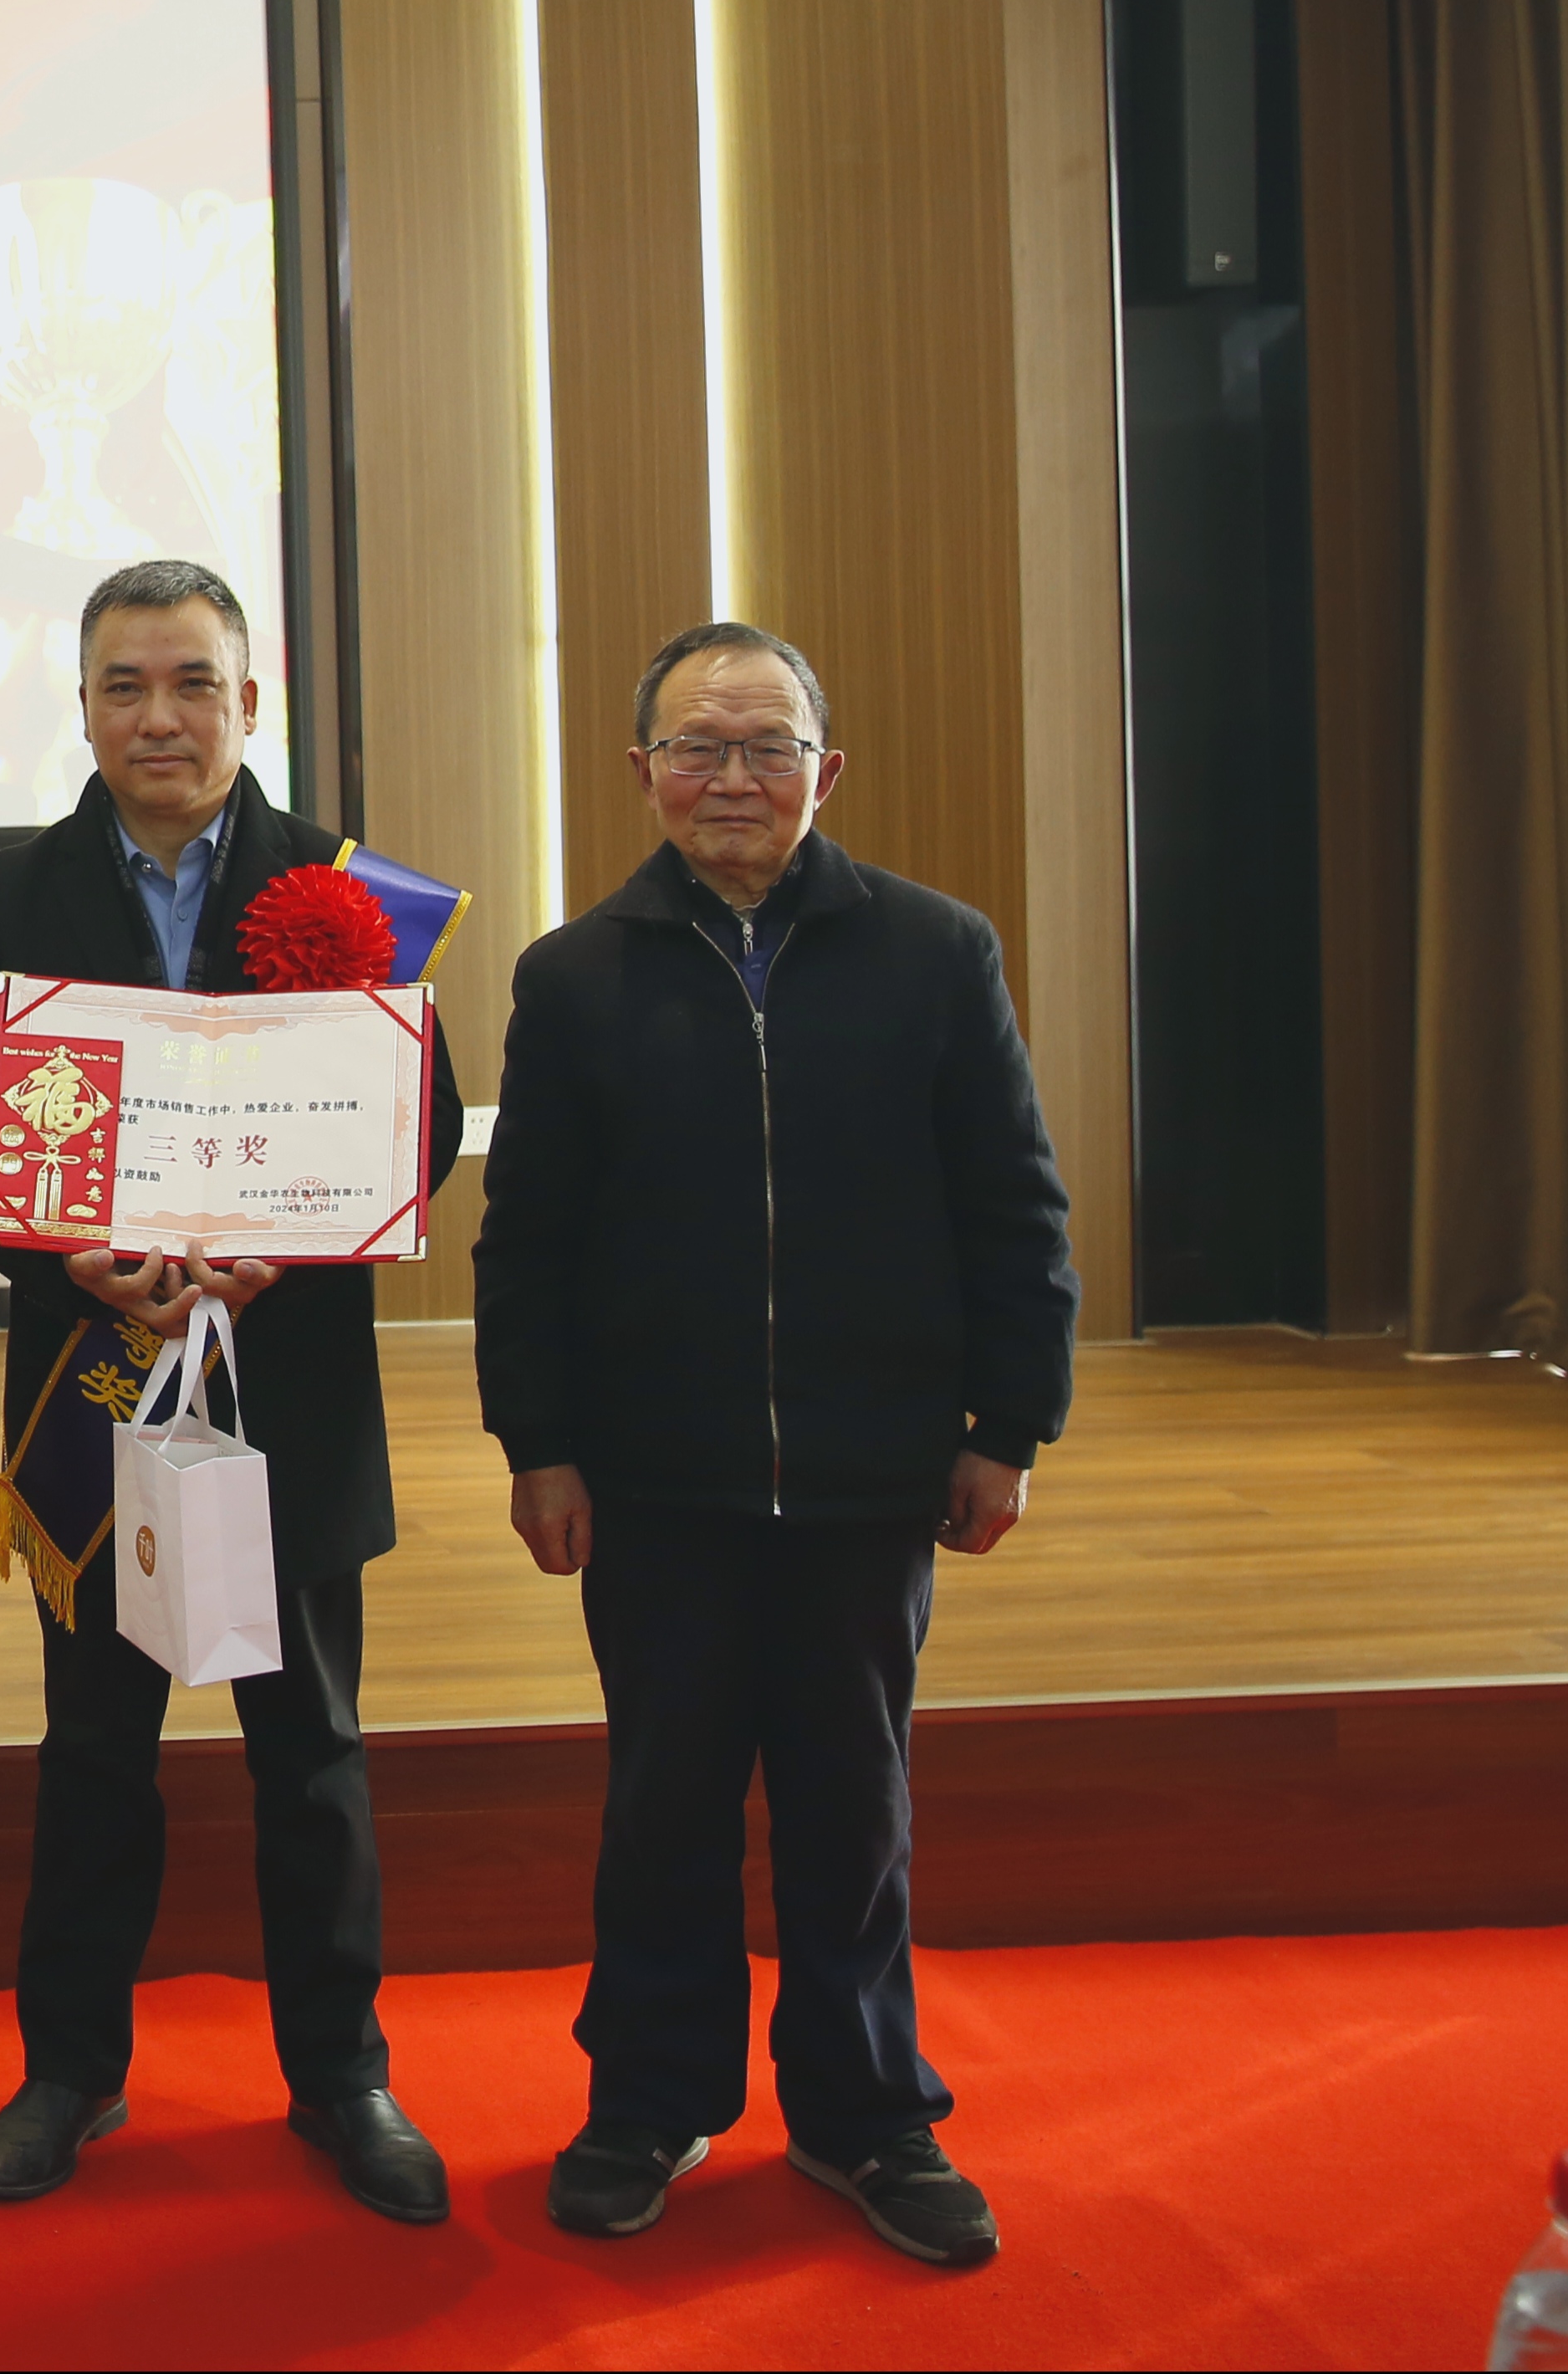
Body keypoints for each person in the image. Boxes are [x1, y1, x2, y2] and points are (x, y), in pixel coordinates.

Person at [475, 619, 1075, 2269]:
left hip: (873, 1473)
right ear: (643, 769)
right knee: (662, 1804)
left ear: (827, 769)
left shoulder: (936, 952)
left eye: (767, 746)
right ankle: (648, 2099)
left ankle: (865, 2112)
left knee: (852, 1807)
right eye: (697, 745)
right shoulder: (573, 976)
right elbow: (527, 1244)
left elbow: (1014, 1207)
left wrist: (1009, 1424)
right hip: (655, 1480)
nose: (731, 777)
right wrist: (539, 1443)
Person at [0, 558, 465, 2219]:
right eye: (126, 686)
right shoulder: (9, 897)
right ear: (81, 710)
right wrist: (69, 1255)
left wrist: (294, 1237)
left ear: (249, 701)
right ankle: (71, 2069)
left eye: (194, 682)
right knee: (95, 1750)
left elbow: (420, 1124)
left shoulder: (349, 891)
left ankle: (343, 2074)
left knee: (315, 1750)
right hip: (96, 1376)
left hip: (291, 1379)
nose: (161, 716)